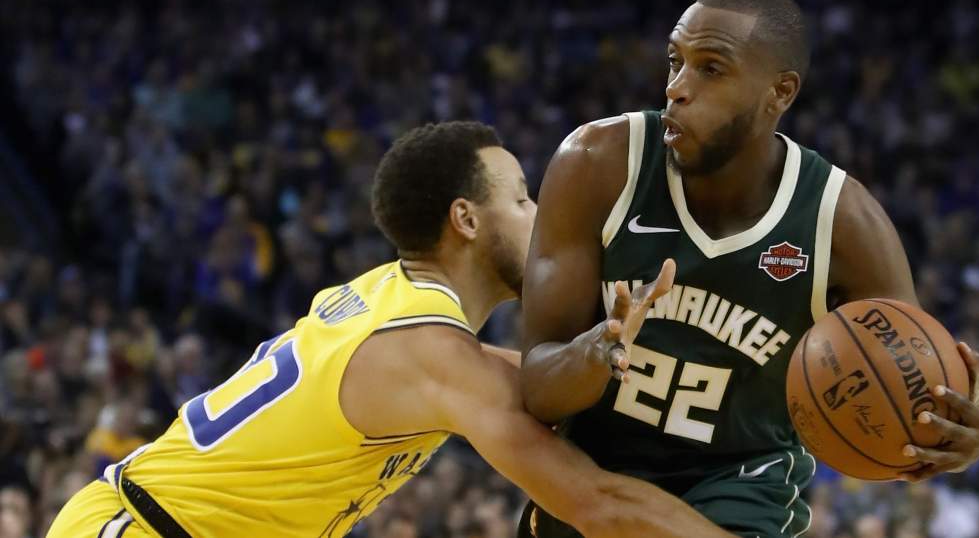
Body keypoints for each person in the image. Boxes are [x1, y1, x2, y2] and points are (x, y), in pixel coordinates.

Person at [47, 121, 723, 538]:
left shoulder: (396, 303)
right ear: (466, 220)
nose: (540, 213)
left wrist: (628, 352)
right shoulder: (426, 348)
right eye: (522, 197)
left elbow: (524, 377)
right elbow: (597, 504)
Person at [518, 0, 979, 538]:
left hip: (743, 483)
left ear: (780, 93)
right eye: (675, 61)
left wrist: (964, 436)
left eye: (710, 69)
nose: (676, 87)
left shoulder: (844, 225)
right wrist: (594, 354)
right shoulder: (597, 164)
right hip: (593, 467)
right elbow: (538, 389)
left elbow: (915, 402)